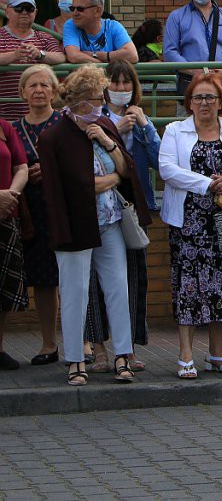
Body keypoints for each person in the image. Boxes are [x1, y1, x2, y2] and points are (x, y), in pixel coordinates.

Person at [39, 65, 150, 386]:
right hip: (74, 224)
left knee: (117, 286)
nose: (100, 104)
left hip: (110, 220)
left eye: (101, 97)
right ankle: (75, 359)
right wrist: (103, 182)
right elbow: (62, 186)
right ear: (76, 101)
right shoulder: (54, 136)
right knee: (74, 292)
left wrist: (107, 142)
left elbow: (126, 171)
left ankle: (122, 355)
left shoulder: (103, 125)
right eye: (93, 98)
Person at [159, 73, 222, 379]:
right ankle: (185, 353)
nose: (204, 103)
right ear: (189, 102)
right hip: (189, 222)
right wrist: (207, 185)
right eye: (198, 97)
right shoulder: (175, 130)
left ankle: (217, 353)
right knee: (188, 286)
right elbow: (167, 170)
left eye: (211, 97)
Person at [84, 61, 162, 373]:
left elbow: (159, 161)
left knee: (133, 280)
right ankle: (99, 348)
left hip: (133, 209)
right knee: (95, 283)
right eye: (114, 84)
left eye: (125, 83)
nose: (120, 90)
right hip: (100, 207)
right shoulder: (96, 120)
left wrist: (143, 126)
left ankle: (126, 349)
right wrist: (115, 134)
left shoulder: (140, 118)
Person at [14, 66, 61, 365]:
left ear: (54, 91)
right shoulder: (13, 128)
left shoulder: (65, 122)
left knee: (72, 278)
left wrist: (51, 170)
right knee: (43, 280)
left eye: (45, 84)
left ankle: (82, 342)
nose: (39, 90)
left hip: (62, 208)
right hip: (30, 212)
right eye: (32, 85)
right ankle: (48, 344)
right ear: (22, 92)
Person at [0, 0, 65, 120]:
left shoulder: (44, 37)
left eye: (29, 9)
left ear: (35, 13)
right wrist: (14, 55)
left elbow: (61, 57)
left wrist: (40, 54)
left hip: (40, 118)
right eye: (18, 8)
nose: (24, 12)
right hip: (4, 118)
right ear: (7, 12)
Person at [0, 105, 28, 369]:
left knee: (2, 287)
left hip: (6, 216)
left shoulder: (5, 127)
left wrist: (9, 195)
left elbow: (22, 166)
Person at [62, 0, 138, 64]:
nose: (74, 13)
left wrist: (95, 55)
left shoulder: (113, 26)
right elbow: (74, 56)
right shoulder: (70, 25)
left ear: (97, 11)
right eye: (72, 8)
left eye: (80, 9)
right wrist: (104, 66)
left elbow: (132, 55)